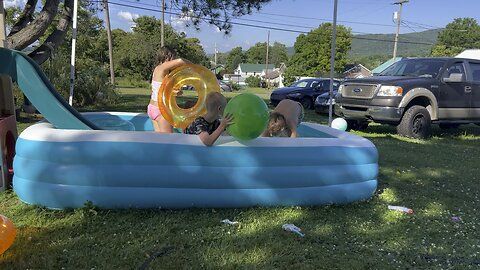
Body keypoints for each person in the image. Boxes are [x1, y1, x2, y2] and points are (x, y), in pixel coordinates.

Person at [147, 46, 190, 133]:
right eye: (174, 57)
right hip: (161, 110)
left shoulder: (160, 71)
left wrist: (177, 92)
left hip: (152, 107)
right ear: (167, 57)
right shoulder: (162, 67)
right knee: (168, 141)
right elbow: (181, 61)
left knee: (159, 141)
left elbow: (162, 90)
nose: (175, 60)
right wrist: (195, 66)